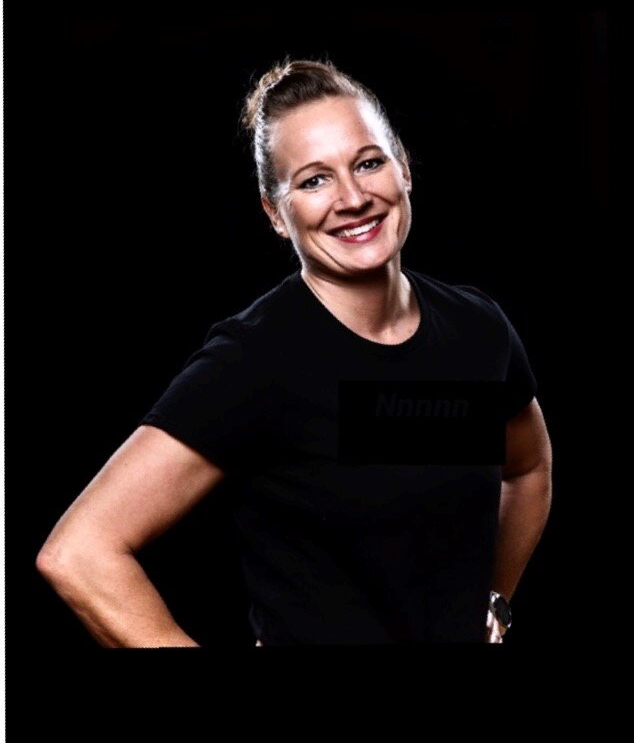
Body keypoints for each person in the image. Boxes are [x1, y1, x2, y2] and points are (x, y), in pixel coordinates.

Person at [36, 57, 553, 646]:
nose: (353, 197)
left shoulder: (476, 331)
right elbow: (80, 552)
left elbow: (527, 469)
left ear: (404, 168)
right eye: (313, 181)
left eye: (368, 163)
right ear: (275, 214)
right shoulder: (256, 360)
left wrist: (493, 601)